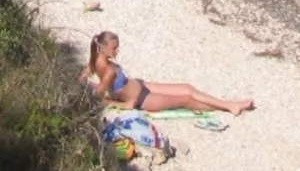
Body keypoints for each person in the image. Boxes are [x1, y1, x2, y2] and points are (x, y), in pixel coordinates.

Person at [80, 31, 254, 115]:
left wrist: (85, 84)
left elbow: (82, 80)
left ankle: (229, 103)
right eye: (114, 48)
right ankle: (226, 108)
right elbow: (99, 97)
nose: (117, 51)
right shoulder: (108, 70)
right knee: (187, 100)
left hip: (142, 86)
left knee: (187, 88)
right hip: (142, 100)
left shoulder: (95, 62)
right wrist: (122, 104)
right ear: (102, 48)